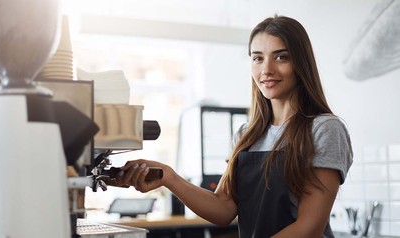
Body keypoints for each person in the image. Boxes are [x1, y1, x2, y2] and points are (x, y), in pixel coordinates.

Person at [107, 15, 353, 238]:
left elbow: (309, 227)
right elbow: (223, 209)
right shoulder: (246, 134)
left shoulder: (324, 129)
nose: (266, 69)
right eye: (257, 58)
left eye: (281, 57)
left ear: (301, 63)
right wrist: (169, 178)